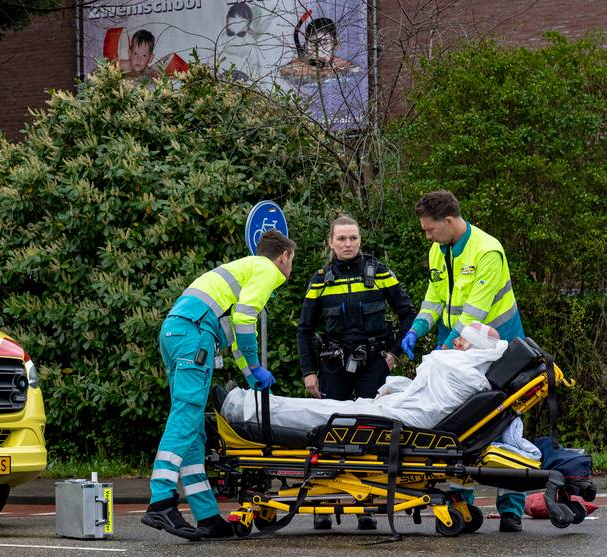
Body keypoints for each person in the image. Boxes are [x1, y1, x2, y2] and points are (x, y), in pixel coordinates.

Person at [143, 230, 296, 541]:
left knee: (194, 428)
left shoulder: (245, 270)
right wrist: (254, 366)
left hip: (177, 333)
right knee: (185, 416)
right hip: (194, 337)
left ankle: (207, 516)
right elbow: (244, 319)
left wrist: (251, 375)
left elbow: (237, 334)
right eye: (291, 262)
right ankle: (161, 499)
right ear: (284, 257)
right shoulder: (268, 271)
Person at [399, 189, 527, 531]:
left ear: (450, 221)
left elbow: (476, 311)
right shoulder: (438, 251)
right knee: (456, 424)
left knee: (503, 420)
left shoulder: (488, 250)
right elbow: (434, 299)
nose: (427, 235)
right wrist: (417, 328)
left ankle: (511, 509)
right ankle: (460, 503)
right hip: (455, 343)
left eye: (430, 229)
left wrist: (447, 348)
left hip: (498, 347)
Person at [297, 216, 415, 529]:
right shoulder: (320, 278)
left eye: (353, 238)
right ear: (330, 243)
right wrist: (309, 372)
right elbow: (305, 329)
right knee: (328, 433)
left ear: (360, 240)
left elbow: (408, 315)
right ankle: (323, 505)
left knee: (370, 433)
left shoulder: (380, 272)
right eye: (342, 239)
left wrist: (393, 354)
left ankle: (367, 506)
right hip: (333, 364)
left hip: (374, 362)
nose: (348, 244)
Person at [223, 322, 504, 434]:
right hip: (398, 410)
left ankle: (246, 409)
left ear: (475, 350)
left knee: (321, 412)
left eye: (462, 341)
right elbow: (428, 395)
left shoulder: (463, 373)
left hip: (400, 418)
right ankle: (248, 405)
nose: (454, 343)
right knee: (325, 409)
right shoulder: (466, 372)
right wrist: (396, 390)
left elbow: (431, 402)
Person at [279, 14, 357, 82]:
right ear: (306, 46)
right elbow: (285, 72)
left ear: (335, 43)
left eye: (324, 43)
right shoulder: (295, 68)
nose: (318, 50)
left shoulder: (345, 66)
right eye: (313, 44)